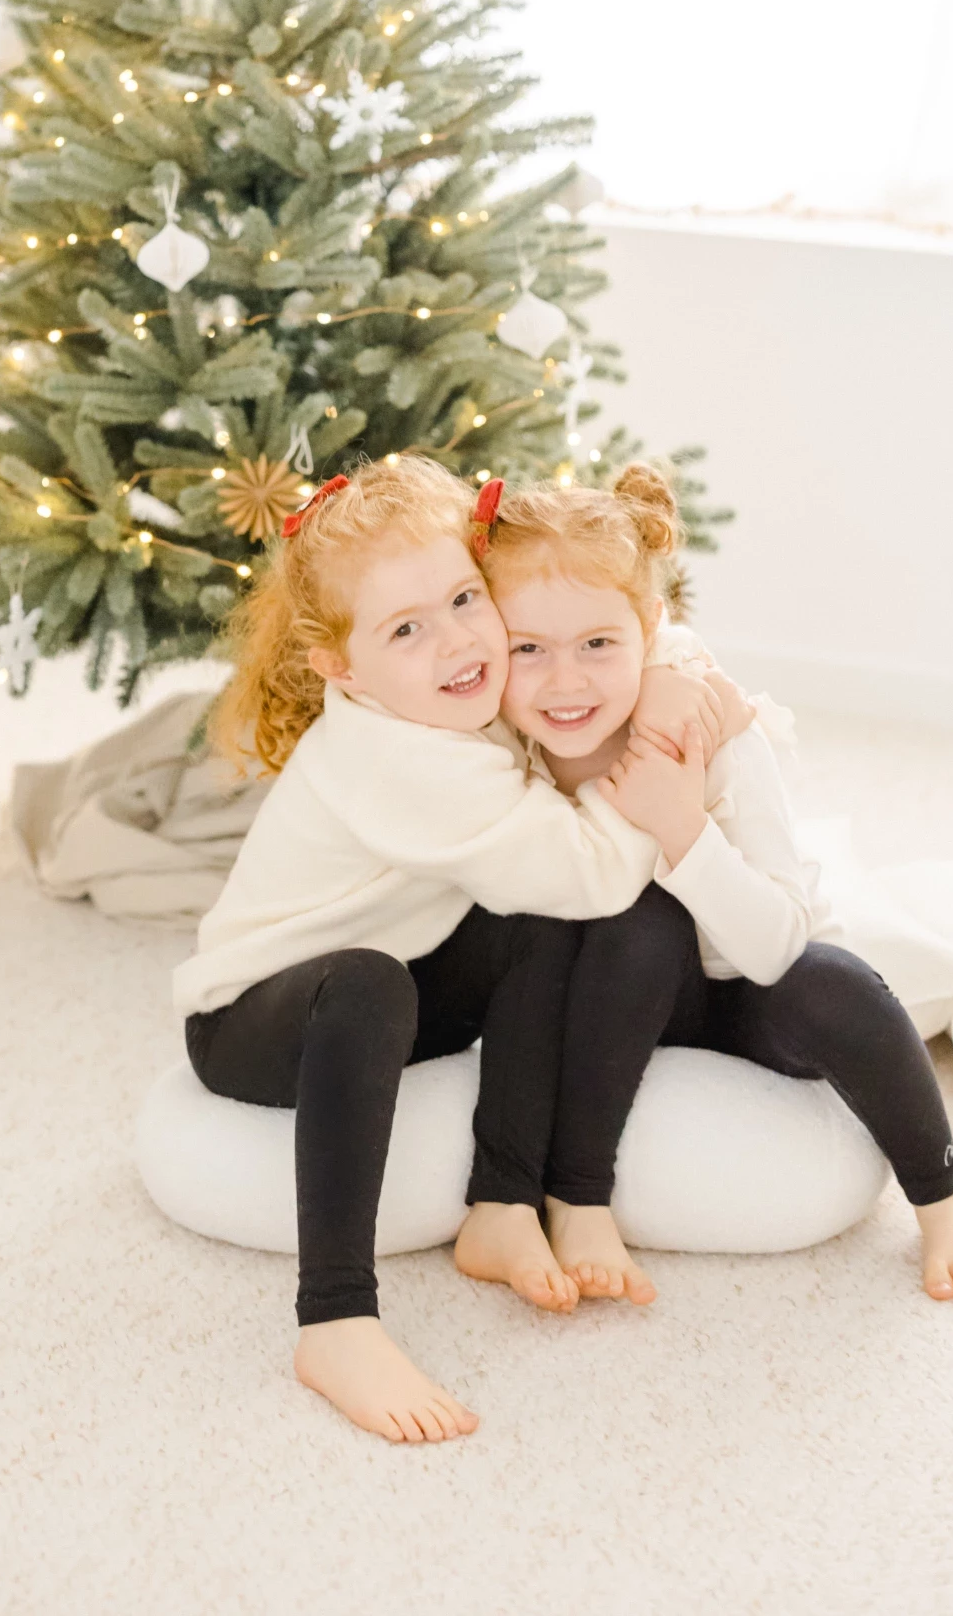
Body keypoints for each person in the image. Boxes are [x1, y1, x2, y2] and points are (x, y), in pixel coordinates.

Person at [176, 454, 740, 1445]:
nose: (456, 642)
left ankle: (501, 1198)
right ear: (341, 669)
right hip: (256, 1021)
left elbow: (625, 655)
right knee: (369, 983)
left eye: (461, 598)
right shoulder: (394, 757)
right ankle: (335, 1319)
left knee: (519, 920)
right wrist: (663, 772)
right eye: (406, 628)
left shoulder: (452, 702)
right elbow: (594, 871)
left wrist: (657, 676)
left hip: (399, 962)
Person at [484, 465, 953, 1309]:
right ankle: (577, 1199)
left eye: (597, 645)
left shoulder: (715, 732)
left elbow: (773, 945)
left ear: (651, 627)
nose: (564, 681)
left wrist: (679, 823)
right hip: (609, 1000)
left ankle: (943, 1198)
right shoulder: (502, 743)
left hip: (746, 987)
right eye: (527, 650)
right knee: (637, 920)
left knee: (835, 982)